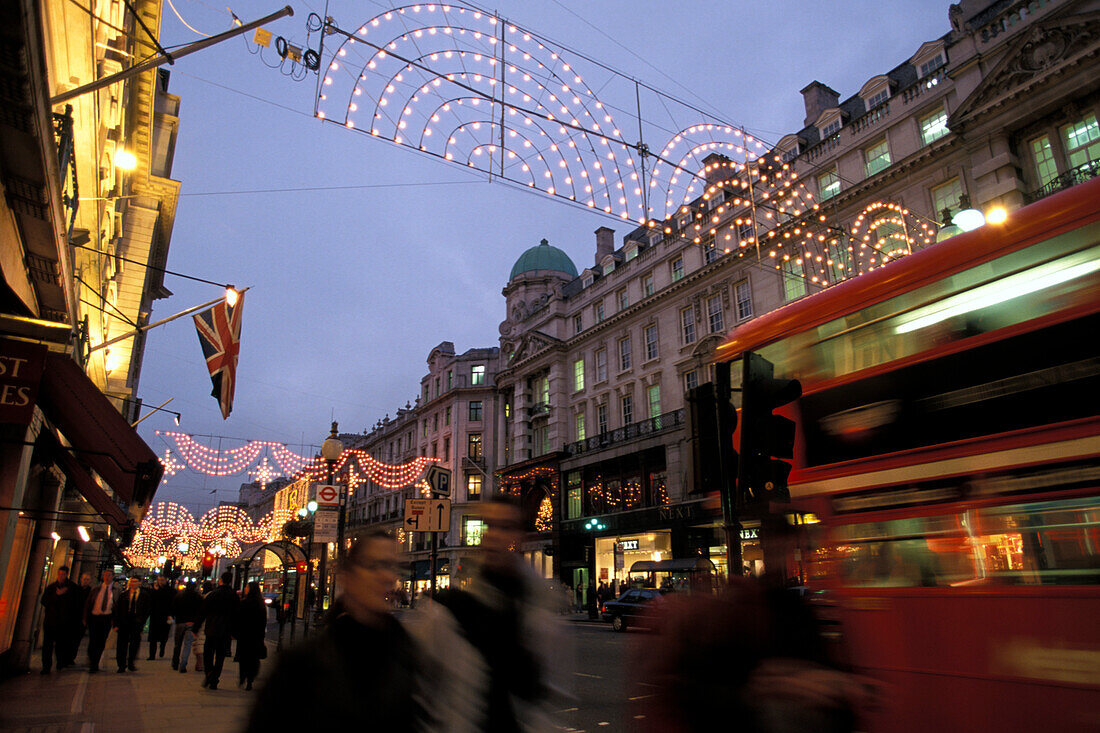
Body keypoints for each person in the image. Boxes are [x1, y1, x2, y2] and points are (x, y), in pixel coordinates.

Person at [410, 498, 567, 733]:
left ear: (519, 536)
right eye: (489, 525)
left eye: (505, 527)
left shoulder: (540, 609)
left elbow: (546, 699)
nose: (493, 535)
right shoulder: (450, 609)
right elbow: (421, 692)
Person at [245, 531, 422, 731]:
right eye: (374, 566)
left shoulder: (408, 653)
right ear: (347, 576)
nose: (387, 576)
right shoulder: (302, 665)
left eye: (391, 566)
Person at [197, 571, 239, 690]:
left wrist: (196, 627)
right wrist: (234, 632)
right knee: (220, 656)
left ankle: (209, 673)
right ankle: (215, 677)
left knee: (208, 654)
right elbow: (237, 615)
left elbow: (203, 612)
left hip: (211, 629)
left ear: (221, 580)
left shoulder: (213, 594)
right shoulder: (233, 596)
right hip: (225, 631)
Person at [39, 565, 79, 673]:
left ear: (67, 575)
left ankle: (60, 663)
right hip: (50, 621)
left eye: (63, 574)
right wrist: (56, 595)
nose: (61, 576)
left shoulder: (72, 588)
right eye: (59, 574)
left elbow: (76, 606)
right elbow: (44, 601)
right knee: (47, 645)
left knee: (61, 644)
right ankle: (46, 666)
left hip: (64, 623)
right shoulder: (52, 587)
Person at [233, 582, 267, 690]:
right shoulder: (261, 605)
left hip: (245, 635)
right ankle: (250, 679)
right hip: (256, 635)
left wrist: (235, 632)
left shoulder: (244, 603)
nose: (245, 588)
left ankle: (243, 676)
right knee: (253, 658)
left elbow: (238, 618)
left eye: (247, 587)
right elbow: (263, 621)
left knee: (244, 657)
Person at [84, 569, 118, 673]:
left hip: (106, 618)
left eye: (109, 575)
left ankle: (94, 663)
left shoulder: (116, 591)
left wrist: (116, 622)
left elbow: (118, 607)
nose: (107, 577)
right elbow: (88, 603)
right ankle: (92, 659)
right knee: (93, 640)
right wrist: (85, 618)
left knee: (101, 641)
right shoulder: (96, 589)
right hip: (94, 617)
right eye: (105, 575)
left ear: (112, 576)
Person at [112, 577, 150, 673]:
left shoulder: (144, 595)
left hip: (136, 622)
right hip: (124, 622)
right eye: (132, 581)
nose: (133, 583)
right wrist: (116, 623)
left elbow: (147, 609)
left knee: (134, 644)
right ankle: (121, 664)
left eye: (135, 582)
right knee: (122, 644)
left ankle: (131, 662)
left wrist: (142, 620)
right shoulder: (124, 595)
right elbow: (118, 609)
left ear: (139, 583)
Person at [171, 581, 203, 672]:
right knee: (187, 645)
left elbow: (173, 608)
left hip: (180, 622)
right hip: (191, 623)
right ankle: (183, 664)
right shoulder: (198, 597)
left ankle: (175, 662)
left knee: (177, 644)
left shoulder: (179, 596)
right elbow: (201, 611)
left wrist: (174, 616)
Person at [147, 576, 174, 660]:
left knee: (164, 635)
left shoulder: (170, 591)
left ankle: (162, 647)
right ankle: (152, 655)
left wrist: (171, 614)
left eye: (162, 580)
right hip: (155, 616)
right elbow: (150, 601)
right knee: (153, 638)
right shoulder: (154, 590)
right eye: (159, 580)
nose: (160, 582)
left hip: (165, 616)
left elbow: (172, 604)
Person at [69, 572, 93, 667]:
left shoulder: (91, 592)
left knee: (76, 640)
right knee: (68, 639)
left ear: (90, 581)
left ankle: (71, 658)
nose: (85, 581)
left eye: (87, 579)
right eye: (84, 579)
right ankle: (65, 658)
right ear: (80, 579)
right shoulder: (74, 589)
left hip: (82, 619)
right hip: (71, 618)